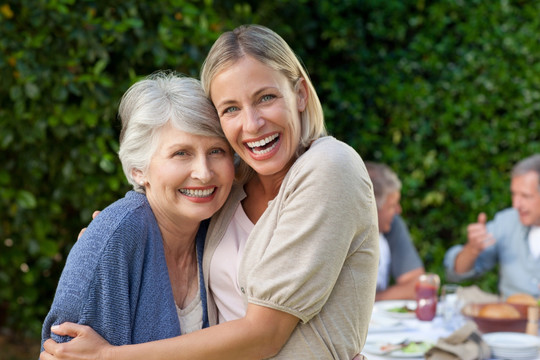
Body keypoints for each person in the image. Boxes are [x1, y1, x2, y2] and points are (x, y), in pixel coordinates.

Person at [41, 24, 378, 360]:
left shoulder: (330, 166)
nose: (252, 123)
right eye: (231, 108)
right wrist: (111, 236)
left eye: (266, 97)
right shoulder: (233, 189)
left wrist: (111, 357)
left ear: (301, 94)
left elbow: (265, 335)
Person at [40, 73, 235, 347]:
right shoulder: (114, 240)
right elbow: (61, 350)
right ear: (138, 169)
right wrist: (104, 240)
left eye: (217, 151)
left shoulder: (223, 226)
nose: (204, 173)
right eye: (181, 153)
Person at [444, 154, 540, 299]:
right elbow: (456, 274)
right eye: (514, 194)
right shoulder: (507, 222)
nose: (516, 204)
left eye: (525, 196)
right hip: (509, 316)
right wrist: (472, 249)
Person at [365, 162, 425, 301]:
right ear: (372, 207)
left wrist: (369, 302)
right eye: (392, 206)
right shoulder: (341, 232)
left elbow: (417, 286)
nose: (399, 211)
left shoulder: (391, 225)